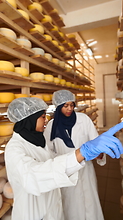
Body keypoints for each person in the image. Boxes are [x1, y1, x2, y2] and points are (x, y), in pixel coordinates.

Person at [4, 97, 123, 220]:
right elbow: (33, 176)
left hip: (53, 210)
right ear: (29, 119)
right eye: (42, 117)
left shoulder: (36, 140)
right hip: (34, 215)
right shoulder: (14, 149)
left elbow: (52, 159)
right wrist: (82, 152)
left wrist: (82, 154)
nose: (46, 120)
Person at [43, 90, 104, 220]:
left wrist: (99, 153)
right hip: (65, 172)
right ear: (58, 107)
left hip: (85, 169)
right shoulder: (51, 126)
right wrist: (61, 163)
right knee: (70, 205)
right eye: (65, 106)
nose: (70, 109)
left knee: (89, 204)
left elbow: (95, 141)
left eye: (72, 105)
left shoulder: (84, 120)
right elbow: (48, 151)